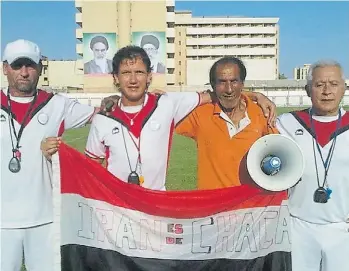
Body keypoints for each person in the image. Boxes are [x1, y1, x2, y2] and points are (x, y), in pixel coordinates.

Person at [0, 39, 116, 270]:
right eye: (17, 65)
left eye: (30, 66)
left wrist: (115, 101)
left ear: (40, 69)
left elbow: (102, 114)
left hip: (46, 220)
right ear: (5, 68)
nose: (24, 72)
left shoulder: (56, 104)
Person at [276, 60, 349, 271]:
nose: (327, 91)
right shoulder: (286, 123)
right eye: (319, 84)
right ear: (308, 90)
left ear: (344, 88)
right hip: (297, 225)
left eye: (334, 84)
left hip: (341, 227)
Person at [175, 56, 278, 190]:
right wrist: (255, 95)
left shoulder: (262, 114)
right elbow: (167, 107)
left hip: (251, 206)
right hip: (213, 206)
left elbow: (279, 154)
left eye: (234, 81)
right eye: (222, 82)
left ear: (242, 83)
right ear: (212, 85)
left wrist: (254, 96)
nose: (229, 89)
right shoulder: (200, 114)